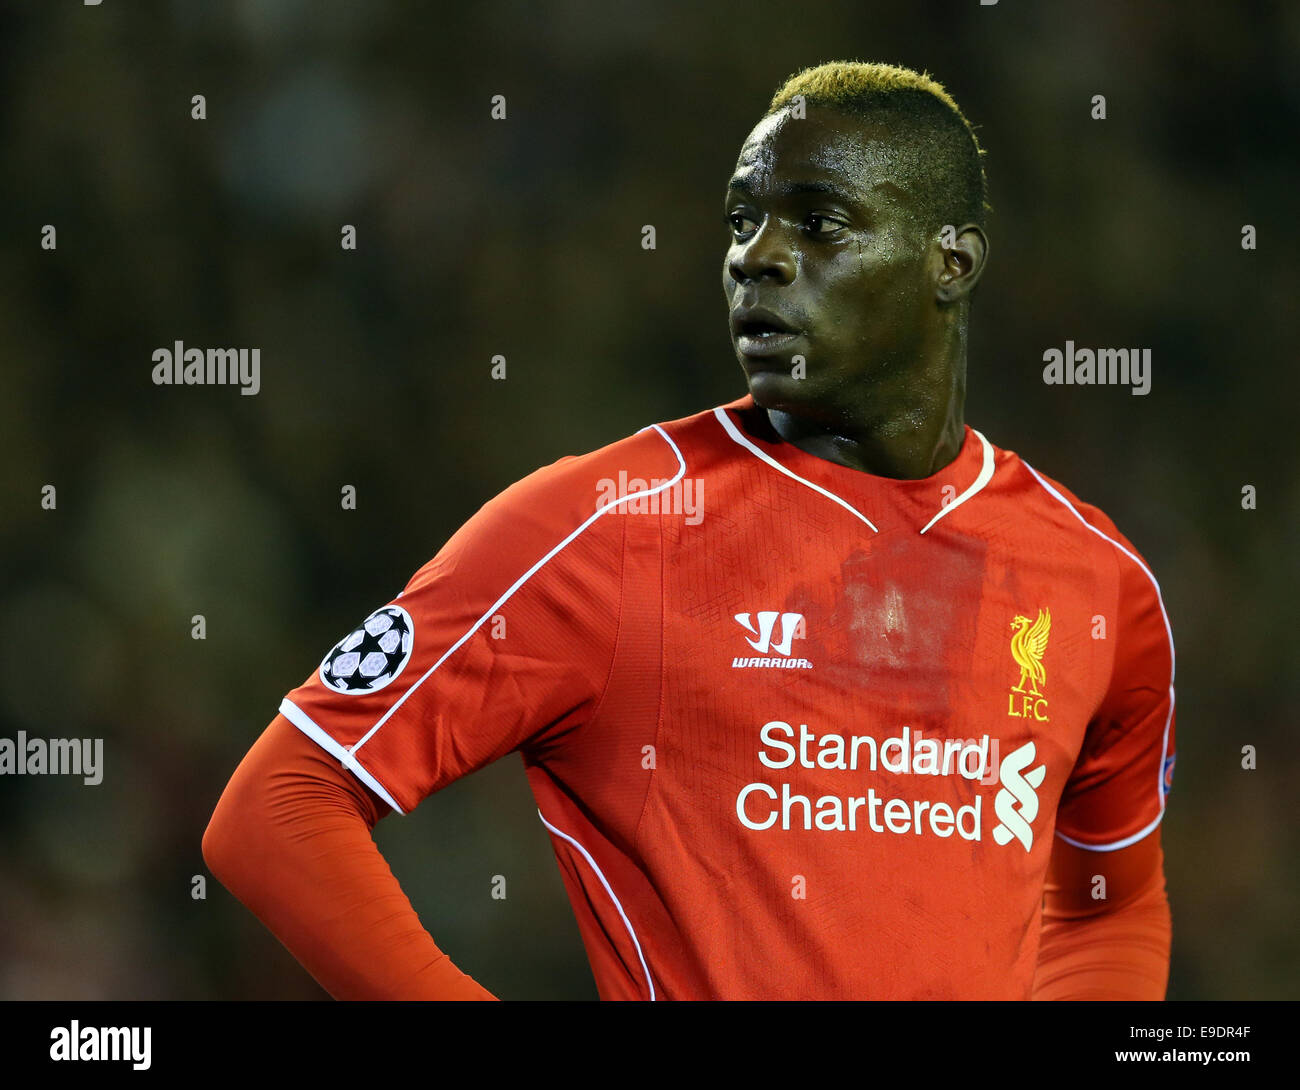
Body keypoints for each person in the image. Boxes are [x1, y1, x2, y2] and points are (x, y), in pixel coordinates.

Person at [203, 60, 1174, 1000]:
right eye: (743, 222)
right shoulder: (608, 527)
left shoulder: (1094, 579)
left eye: (819, 223)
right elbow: (279, 808)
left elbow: (1102, 909)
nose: (757, 256)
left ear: (949, 261)